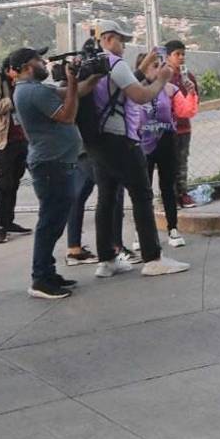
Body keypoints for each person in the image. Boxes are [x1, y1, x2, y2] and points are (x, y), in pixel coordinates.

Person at [85, 20, 189, 278]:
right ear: (107, 38)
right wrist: (161, 79)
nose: (124, 45)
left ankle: (107, 259)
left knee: (106, 198)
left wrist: (145, 65)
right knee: (142, 195)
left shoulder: (92, 64)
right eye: (121, 40)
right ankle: (153, 257)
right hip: (121, 140)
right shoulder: (114, 63)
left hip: (98, 141)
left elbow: (119, 88)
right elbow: (140, 95)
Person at [9, 48, 94, 299]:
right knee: (49, 223)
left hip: (55, 163)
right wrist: (72, 81)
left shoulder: (35, 89)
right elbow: (68, 115)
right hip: (51, 165)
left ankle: (47, 272)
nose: (43, 63)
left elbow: (75, 92)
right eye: (38, 60)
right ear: (27, 67)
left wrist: (94, 76)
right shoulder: (33, 92)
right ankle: (40, 279)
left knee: (54, 222)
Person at [135, 49, 186, 248]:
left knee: (167, 186)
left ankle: (173, 228)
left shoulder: (168, 88)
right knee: (143, 190)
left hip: (165, 140)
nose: (159, 70)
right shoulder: (134, 90)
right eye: (154, 66)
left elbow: (185, 110)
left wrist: (188, 92)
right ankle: (142, 234)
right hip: (142, 143)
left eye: (160, 65)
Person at [0, 59, 33, 243]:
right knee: (4, 183)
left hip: (20, 139)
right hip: (3, 141)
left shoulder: (20, 83)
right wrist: (13, 99)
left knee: (14, 182)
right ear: (10, 69)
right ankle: (1, 226)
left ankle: (9, 221)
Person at [163, 40, 200, 208]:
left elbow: (195, 101)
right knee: (167, 163)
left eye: (183, 54)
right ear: (167, 57)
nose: (181, 57)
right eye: (177, 54)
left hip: (184, 127)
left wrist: (191, 91)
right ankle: (170, 196)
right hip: (167, 128)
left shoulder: (188, 77)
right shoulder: (163, 76)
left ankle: (183, 194)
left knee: (182, 162)